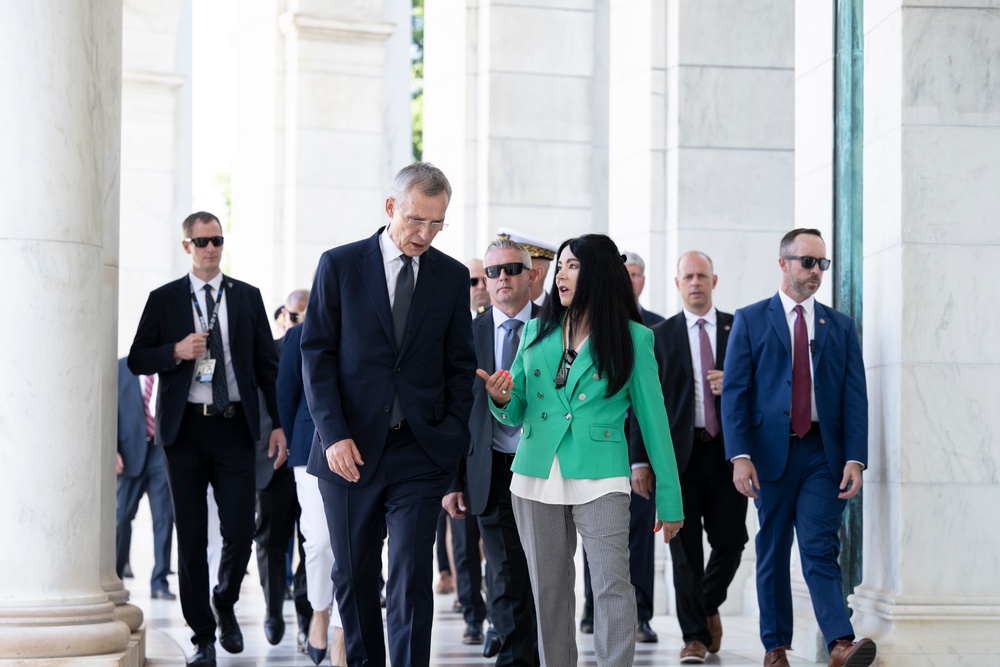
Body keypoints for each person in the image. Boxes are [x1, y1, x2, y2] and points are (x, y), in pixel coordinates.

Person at [301, 162, 477, 667]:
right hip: (348, 454)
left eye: (437, 223)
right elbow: (317, 355)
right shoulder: (339, 265)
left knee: (409, 576)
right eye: (417, 220)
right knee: (354, 577)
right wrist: (333, 435)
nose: (425, 234)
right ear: (390, 208)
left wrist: (448, 435)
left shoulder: (448, 277)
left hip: (420, 452)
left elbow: (460, 366)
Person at [478, 234, 684, 667]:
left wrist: (670, 497)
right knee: (549, 592)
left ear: (598, 273)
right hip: (535, 473)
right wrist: (500, 398)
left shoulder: (635, 338)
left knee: (613, 585)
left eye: (572, 266)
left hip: (602, 474)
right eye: (561, 267)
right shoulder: (536, 330)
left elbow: (654, 423)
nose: (561, 275)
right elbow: (516, 410)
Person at [128, 211, 287, 667]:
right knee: (192, 536)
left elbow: (266, 368)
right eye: (201, 242)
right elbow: (138, 358)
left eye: (217, 239)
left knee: (239, 528)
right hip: (185, 432)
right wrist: (174, 352)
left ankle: (225, 598)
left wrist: (277, 424)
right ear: (186, 247)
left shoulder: (247, 297)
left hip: (235, 426)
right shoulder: (165, 300)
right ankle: (203, 636)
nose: (211, 248)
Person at [721, 229, 875, 667]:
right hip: (769, 455)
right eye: (807, 262)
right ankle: (775, 647)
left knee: (820, 547)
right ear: (783, 263)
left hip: (823, 456)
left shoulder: (840, 326)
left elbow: (855, 396)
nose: (815, 271)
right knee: (772, 548)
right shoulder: (750, 319)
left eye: (822, 264)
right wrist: (740, 455)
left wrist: (855, 457)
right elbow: (735, 394)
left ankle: (839, 644)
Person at [635, 251, 748, 663]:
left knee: (733, 540)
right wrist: (640, 461)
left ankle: (703, 604)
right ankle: (695, 637)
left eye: (702, 276)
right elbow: (640, 404)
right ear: (678, 284)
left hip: (727, 453)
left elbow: (760, 389)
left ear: (714, 281)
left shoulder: (739, 329)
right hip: (676, 459)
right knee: (683, 549)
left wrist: (733, 384)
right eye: (688, 277)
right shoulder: (659, 336)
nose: (696, 282)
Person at [443, 237, 541, 666]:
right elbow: (452, 409)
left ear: (532, 275)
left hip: (547, 469)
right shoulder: (466, 331)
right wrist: (452, 481)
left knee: (545, 572)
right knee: (503, 572)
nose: (503, 278)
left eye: (512, 269)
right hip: (491, 469)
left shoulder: (560, 326)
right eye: (494, 271)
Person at [580, 249, 665, 642]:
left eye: (634, 274)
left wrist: (644, 460)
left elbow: (654, 405)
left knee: (640, 540)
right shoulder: (586, 327)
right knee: (594, 535)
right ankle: (592, 609)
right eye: (622, 273)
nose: (629, 280)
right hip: (598, 453)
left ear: (642, 280)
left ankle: (641, 615)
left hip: (640, 456)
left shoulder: (657, 329)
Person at [276, 293, 347, 666]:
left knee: (352, 546)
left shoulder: (369, 331)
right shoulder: (298, 335)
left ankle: (340, 630)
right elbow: (286, 395)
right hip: (309, 450)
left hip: (363, 449)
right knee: (319, 542)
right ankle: (319, 611)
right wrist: (296, 444)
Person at [115, 357, 175, 601]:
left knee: (164, 518)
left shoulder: (169, 365)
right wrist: (112, 449)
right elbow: (108, 408)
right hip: (128, 454)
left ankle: (159, 581)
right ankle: (116, 576)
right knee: (121, 517)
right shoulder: (121, 367)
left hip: (161, 453)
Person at [496, 228, 556, 308]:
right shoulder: (486, 314)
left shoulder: (561, 315)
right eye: (499, 269)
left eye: (512, 268)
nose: (502, 276)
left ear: (536, 274)